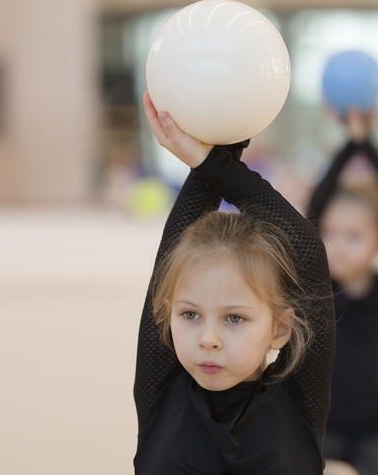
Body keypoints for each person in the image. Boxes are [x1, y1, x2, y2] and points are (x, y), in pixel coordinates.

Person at [133, 91, 335, 473]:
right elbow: (173, 252)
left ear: (279, 328)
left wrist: (216, 161)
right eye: (190, 315)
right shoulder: (162, 394)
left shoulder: (297, 403)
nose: (208, 338)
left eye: (235, 318)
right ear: (167, 316)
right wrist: (218, 148)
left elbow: (306, 251)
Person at [307, 110, 378, 475]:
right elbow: (314, 208)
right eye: (331, 234)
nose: (337, 246)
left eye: (354, 237)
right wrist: (347, 147)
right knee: (292, 453)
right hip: (327, 428)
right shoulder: (319, 289)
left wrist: (366, 143)